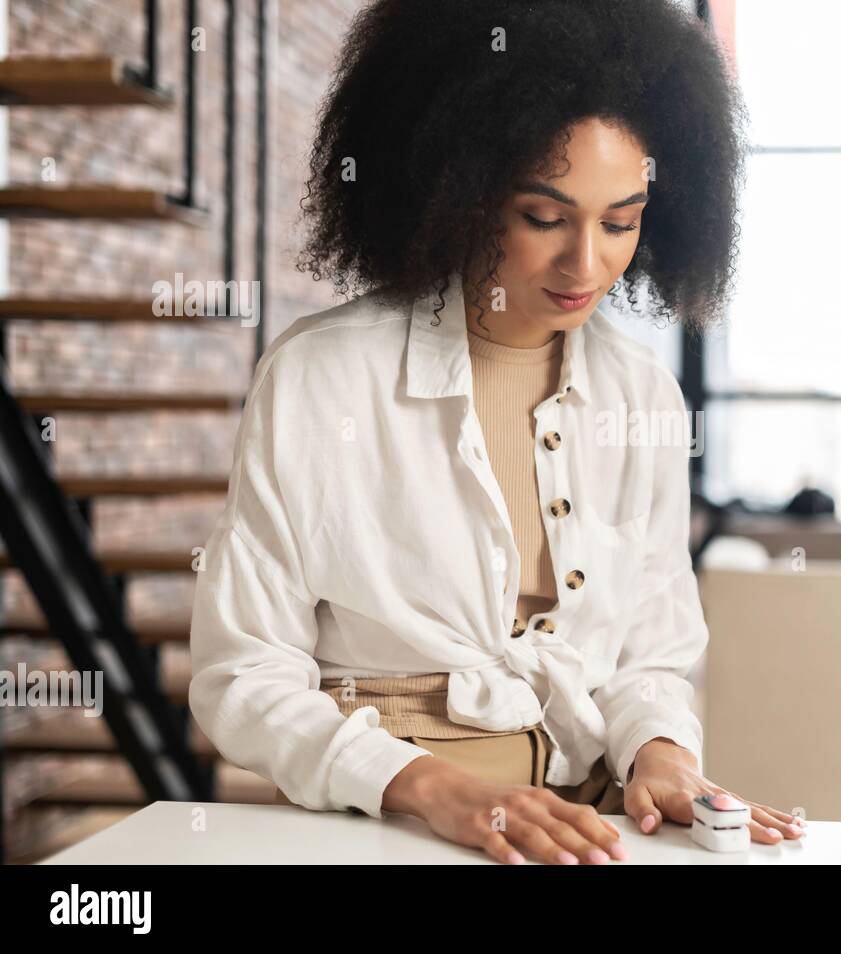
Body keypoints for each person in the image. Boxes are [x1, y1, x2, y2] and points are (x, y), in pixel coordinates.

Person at [188, 0, 805, 865]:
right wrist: (435, 790)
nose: (585, 263)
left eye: (620, 221)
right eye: (545, 217)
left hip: (590, 829)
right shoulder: (321, 377)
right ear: (464, 192)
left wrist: (661, 753)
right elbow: (242, 677)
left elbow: (651, 656)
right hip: (393, 826)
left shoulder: (644, 397)